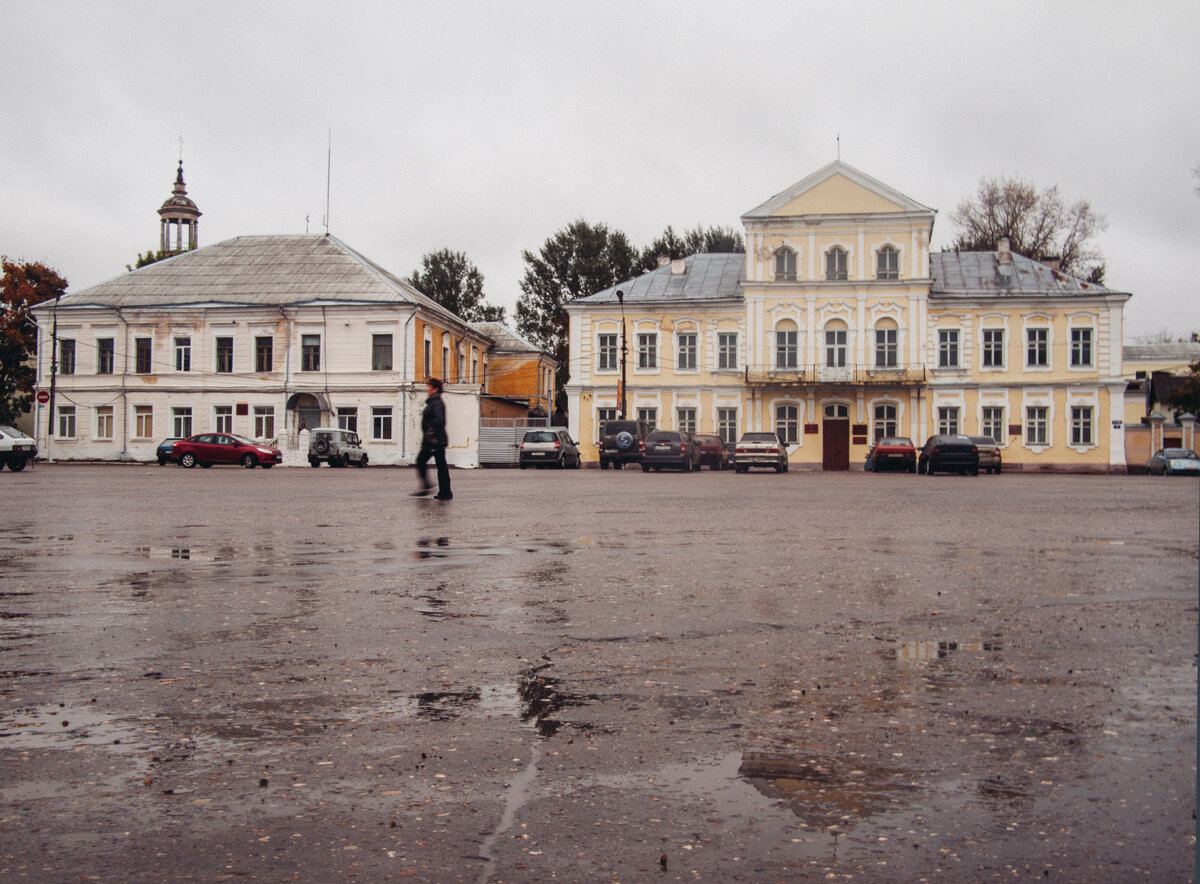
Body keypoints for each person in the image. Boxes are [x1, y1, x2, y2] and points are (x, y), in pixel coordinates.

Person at [413, 377, 452, 500]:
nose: (427, 389)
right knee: (441, 466)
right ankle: (445, 492)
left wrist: (430, 436)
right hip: (436, 440)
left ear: (435, 389)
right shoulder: (434, 402)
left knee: (421, 460)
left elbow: (439, 421)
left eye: (429, 387)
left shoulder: (437, 403)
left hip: (434, 441)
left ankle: (429, 486)